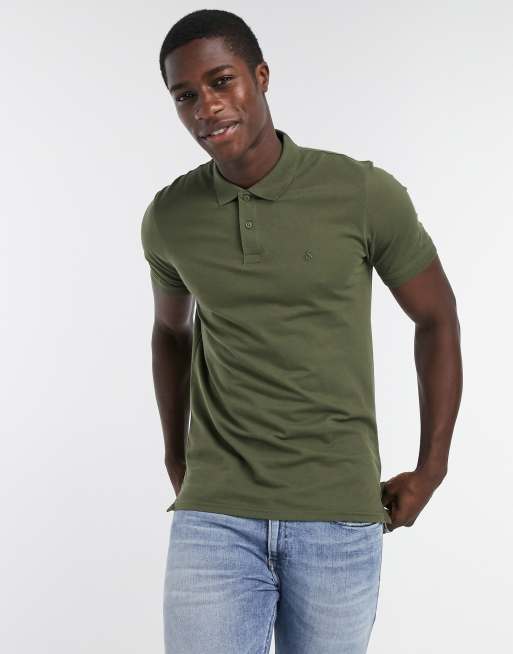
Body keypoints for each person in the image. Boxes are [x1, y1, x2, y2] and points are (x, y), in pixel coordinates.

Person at [140, 9, 462, 654]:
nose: (206, 107)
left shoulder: (362, 193)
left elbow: (437, 317)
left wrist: (432, 469)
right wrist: (176, 456)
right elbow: (171, 333)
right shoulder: (171, 217)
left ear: (260, 77)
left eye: (221, 81)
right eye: (185, 95)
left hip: (338, 515)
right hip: (215, 517)